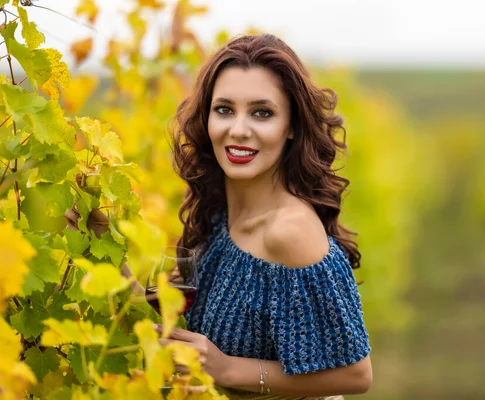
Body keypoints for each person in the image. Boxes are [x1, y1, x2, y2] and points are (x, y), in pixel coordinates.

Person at [67, 33, 371, 399]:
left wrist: (229, 368)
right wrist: (102, 241)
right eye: (224, 109)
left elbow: (355, 374)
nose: (238, 130)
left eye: (262, 112)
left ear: (291, 126)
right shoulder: (220, 214)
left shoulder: (290, 232)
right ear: (207, 118)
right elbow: (172, 332)